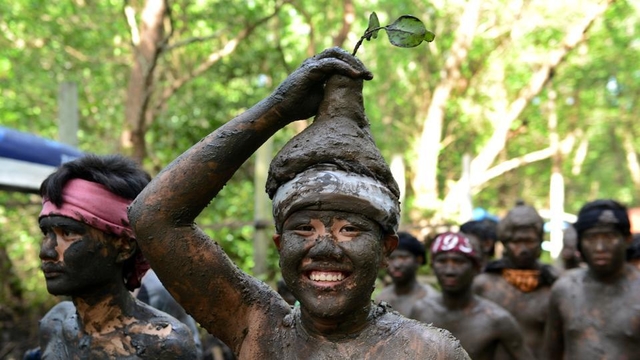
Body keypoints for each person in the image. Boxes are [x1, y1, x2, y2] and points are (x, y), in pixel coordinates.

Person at [128, 47, 469, 359]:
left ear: (385, 248)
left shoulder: (428, 352)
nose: (324, 247)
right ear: (279, 244)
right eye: (305, 228)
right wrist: (277, 109)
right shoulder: (256, 327)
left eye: (349, 229)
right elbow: (153, 217)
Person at [37, 154, 197, 359]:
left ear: (123, 247)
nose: (46, 251)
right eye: (46, 233)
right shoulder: (55, 325)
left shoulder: (161, 344)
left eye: (68, 233)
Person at [410, 232, 534, 360]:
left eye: (458, 262)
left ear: (476, 268)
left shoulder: (496, 319)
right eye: (442, 261)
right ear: (432, 266)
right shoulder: (421, 311)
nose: (449, 270)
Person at [543, 199, 640, 359]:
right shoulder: (565, 289)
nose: (600, 247)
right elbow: (551, 354)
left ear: (627, 239)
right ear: (580, 242)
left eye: (609, 237)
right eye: (591, 238)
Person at [472, 201, 559, 359]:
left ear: (539, 242)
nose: (523, 249)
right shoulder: (484, 284)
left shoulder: (554, 284)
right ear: (505, 244)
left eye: (530, 241)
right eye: (516, 242)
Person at [375, 231, 438, 317]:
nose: (397, 265)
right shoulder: (382, 298)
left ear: (418, 260)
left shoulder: (430, 299)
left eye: (403, 257)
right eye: (391, 258)